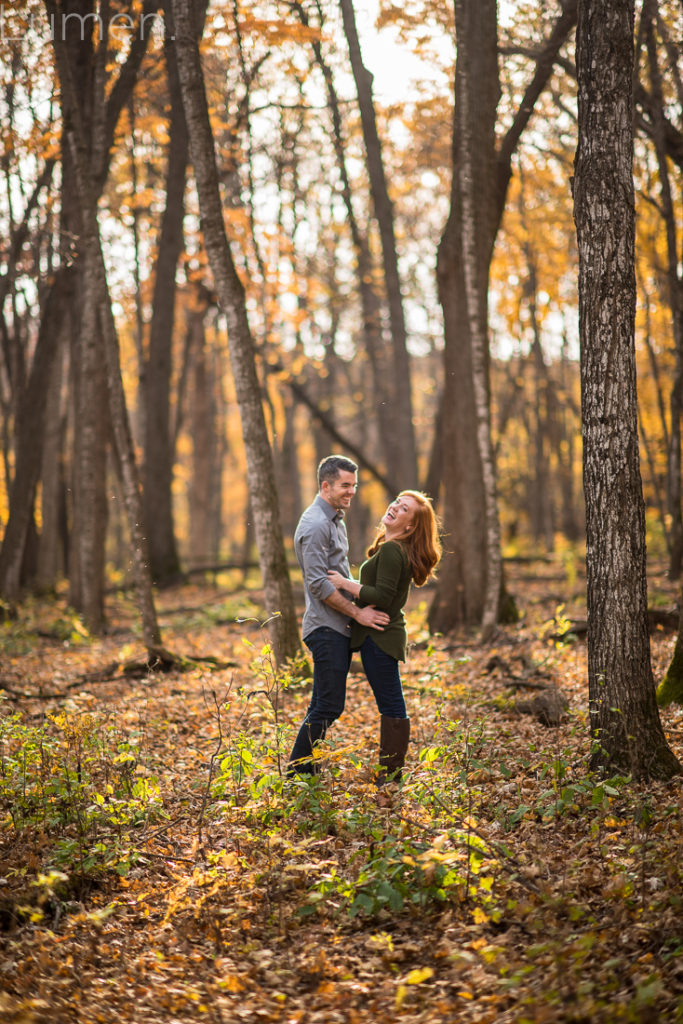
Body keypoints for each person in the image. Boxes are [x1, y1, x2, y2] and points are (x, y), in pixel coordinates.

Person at [287, 455, 391, 776]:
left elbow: (338, 574)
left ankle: (306, 772)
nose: (351, 491)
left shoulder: (335, 519)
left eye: (354, 485)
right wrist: (357, 614)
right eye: (345, 485)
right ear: (326, 485)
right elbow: (318, 584)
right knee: (329, 706)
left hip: (337, 627)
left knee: (322, 705)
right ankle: (296, 774)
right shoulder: (316, 524)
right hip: (326, 629)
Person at [328, 491, 441, 782]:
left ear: (410, 526)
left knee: (391, 704)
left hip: (380, 637)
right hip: (382, 636)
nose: (394, 508)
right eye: (396, 502)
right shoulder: (392, 547)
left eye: (404, 509)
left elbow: (383, 596)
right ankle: (390, 775)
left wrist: (344, 583)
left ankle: (390, 777)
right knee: (392, 703)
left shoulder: (393, 550)